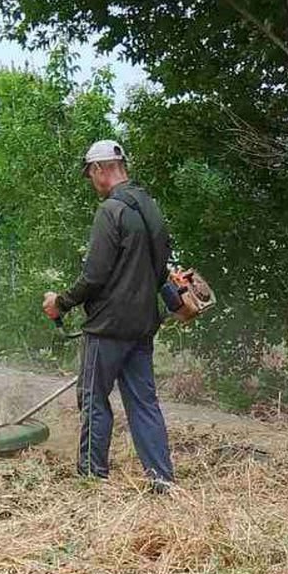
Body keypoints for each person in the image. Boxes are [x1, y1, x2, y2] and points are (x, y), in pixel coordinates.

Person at [42, 139, 175, 490]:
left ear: (100, 169)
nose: (92, 182)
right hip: (143, 325)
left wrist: (62, 302)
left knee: (93, 398)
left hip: (107, 327)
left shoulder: (110, 211)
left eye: (90, 175)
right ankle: (162, 480)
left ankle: (92, 479)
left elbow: (95, 275)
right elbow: (160, 270)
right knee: (144, 403)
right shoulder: (151, 207)